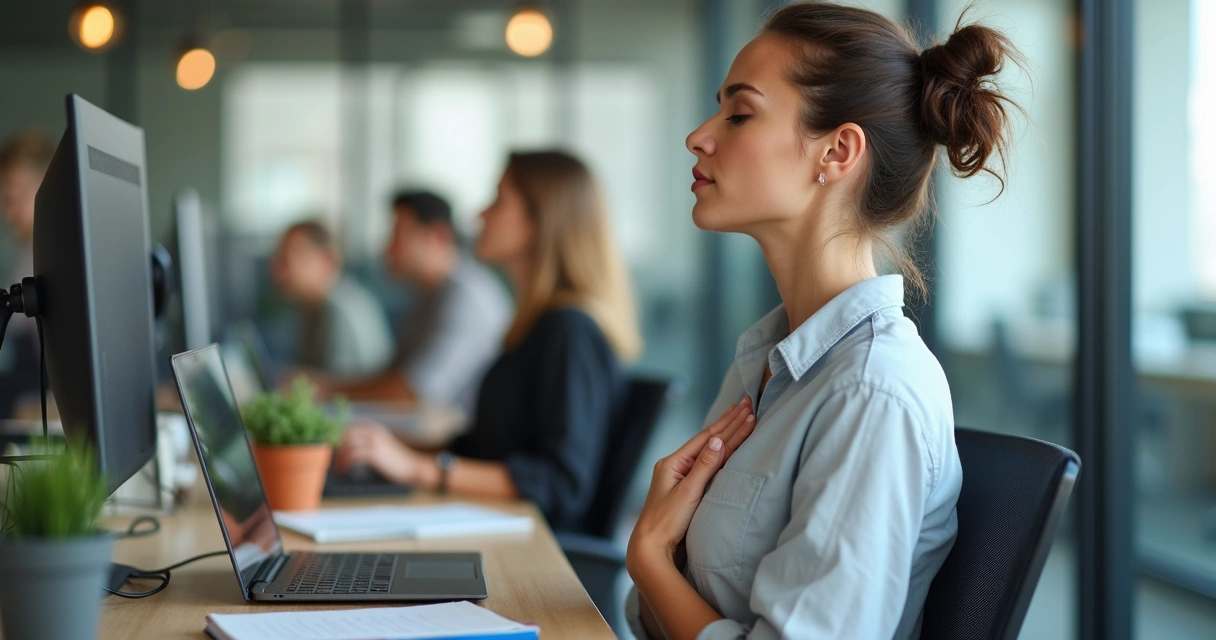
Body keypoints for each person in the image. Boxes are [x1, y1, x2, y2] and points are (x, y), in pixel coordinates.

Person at [624, 3, 1020, 639]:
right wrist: (656, 571)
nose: (699, 135)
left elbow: (663, 585)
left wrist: (648, 560)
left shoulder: (871, 390)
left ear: (838, 150)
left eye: (740, 113)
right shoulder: (768, 359)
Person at [335, 151, 642, 532]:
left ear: (539, 222)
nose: (479, 215)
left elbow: (559, 483)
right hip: (498, 523)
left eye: (498, 201)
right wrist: (391, 449)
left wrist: (418, 467)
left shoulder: (569, 331)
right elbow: (490, 447)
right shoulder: (534, 326)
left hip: (534, 551)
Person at [326, 191, 511, 412]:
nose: (386, 249)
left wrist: (324, 391)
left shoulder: (465, 299)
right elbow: (392, 377)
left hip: (456, 441)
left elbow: (413, 393)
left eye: (397, 236)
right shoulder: (428, 294)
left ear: (437, 236)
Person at [269, 220, 393, 379]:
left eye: (287, 259)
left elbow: (336, 392)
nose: (277, 271)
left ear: (327, 259)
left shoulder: (340, 311)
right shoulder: (314, 308)